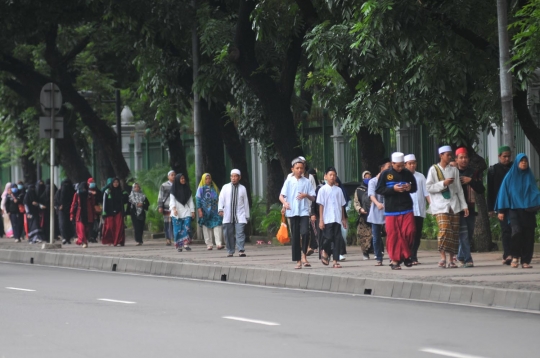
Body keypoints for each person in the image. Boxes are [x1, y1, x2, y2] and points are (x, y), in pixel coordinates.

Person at [426, 145, 469, 268]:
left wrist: (464, 205)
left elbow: (459, 189)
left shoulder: (454, 170)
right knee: (444, 230)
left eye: (451, 154)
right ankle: (442, 257)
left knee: (454, 231)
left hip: (454, 204)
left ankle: (451, 259)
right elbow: (428, 187)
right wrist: (443, 183)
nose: (450, 157)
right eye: (448, 155)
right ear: (441, 155)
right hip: (440, 205)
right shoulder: (433, 170)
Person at [495, 153, 540, 269]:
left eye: (526, 161)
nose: (524, 163)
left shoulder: (529, 176)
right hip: (514, 209)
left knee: (528, 235)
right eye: (521, 161)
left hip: (528, 211)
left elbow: (535, 192)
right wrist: (501, 210)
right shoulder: (510, 177)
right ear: (517, 163)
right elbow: (503, 193)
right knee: (516, 232)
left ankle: (525, 261)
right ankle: (515, 256)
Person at [376, 152, 418, 270]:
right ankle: (395, 260)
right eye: (398, 166)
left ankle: (406, 254)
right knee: (393, 235)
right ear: (392, 164)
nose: (400, 168)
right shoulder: (385, 174)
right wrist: (392, 189)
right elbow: (379, 189)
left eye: (402, 165)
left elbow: (414, 187)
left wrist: (409, 188)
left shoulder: (407, 173)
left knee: (410, 231)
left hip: (406, 207)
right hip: (391, 209)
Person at [280, 157, 316, 269]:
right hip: (292, 211)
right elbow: (281, 196)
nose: (300, 170)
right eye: (297, 168)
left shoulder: (307, 181)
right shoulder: (289, 181)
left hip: (304, 211)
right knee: (295, 237)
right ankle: (298, 260)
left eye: (301, 168)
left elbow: (313, 198)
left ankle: (304, 255)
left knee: (305, 233)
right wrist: (285, 204)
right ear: (292, 169)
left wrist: (306, 195)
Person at [455, 147, 485, 268]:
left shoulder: (474, 172)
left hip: (471, 207)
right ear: (456, 159)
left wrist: (471, 181)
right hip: (457, 208)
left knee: (470, 232)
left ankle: (460, 256)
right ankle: (468, 259)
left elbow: (481, 189)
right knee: (464, 234)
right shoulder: (453, 172)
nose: (464, 160)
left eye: (465, 157)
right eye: (461, 157)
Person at [316, 167, 347, 268]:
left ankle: (335, 261)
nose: (332, 177)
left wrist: (343, 218)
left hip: (337, 218)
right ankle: (325, 251)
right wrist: (321, 219)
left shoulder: (339, 190)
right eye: (330, 175)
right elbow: (321, 205)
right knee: (328, 238)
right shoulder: (322, 190)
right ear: (326, 176)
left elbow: (342, 205)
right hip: (327, 218)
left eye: (334, 175)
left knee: (337, 240)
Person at [487, 145, 513, 264]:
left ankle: (514, 253)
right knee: (505, 230)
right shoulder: (493, 170)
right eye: (504, 157)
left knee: (515, 229)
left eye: (508, 156)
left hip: (514, 204)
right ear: (499, 156)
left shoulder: (514, 168)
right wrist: (490, 208)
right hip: (500, 205)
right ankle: (507, 254)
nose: (506, 159)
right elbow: (490, 190)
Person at [404, 154, 430, 265]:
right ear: (405, 164)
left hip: (419, 210)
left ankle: (413, 256)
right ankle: (406, 255)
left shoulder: (421, 176)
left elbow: (426, 193)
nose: (412, 165)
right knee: (409, 233)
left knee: (417, 234)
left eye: (414, 163)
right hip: (407, 210)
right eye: (409, 163)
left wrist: (432, 205)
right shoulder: (402, 176)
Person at [218, 169, 250, 257]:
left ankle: (241, 250)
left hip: (240, 215)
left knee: (240, 233)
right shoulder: (225, 187)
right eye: (232, 176)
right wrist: (220, 209)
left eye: (235, 176)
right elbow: (221, 199)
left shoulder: (243, 188)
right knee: (228, 234)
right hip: (227, 214)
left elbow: (246, 202)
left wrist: (247, 215)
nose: (233, 178)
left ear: (239, 177)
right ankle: (230, 251)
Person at [368, 159, 391, 266]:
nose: (390, 170)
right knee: (376, 237)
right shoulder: (373, 181)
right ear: (382, 169)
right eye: (388, 168)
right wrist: (377, 203)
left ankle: (392, 256)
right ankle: (378, 257)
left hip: (389, 211)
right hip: (377, 210)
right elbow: (371, 195)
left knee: (391, 235)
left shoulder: (389, 181)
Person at [196, 173, 224, 250]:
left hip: (215, 210)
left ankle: (219, 243)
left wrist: (221, 208)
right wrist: (200, 210)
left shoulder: (214, 188)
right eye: (206, 179)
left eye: (209, 178)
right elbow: (198, 200)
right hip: (205, 211)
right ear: (203, 180)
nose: (208, 180)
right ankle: (209, 244)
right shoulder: (200, 189)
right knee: (206, 227)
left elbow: (220, 197)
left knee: (217, 225)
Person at [170, 173, 195, 252]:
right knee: (178, 230)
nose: (183, 180)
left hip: (186, 211)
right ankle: (179, 245)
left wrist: (192, 211)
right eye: (181, 179)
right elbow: (172, 200)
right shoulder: (173, 190)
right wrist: (174, 209)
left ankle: (186, 244)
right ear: (178, 180)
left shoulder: (187, 189)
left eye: (184, 178)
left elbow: (190, 201)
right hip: (177, 212)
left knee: (187, 227)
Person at [70, 182, 97, 248]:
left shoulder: (90, 195)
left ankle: (80, 241)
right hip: (80, 215)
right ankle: (84, 242)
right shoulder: (77, 195)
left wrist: (94, 214)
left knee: (87, 230)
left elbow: (93, 205)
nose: (84, 190)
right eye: (82, 188)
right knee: (81, 230)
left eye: (85, 188)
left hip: (88, 215)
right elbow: (73, 205)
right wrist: (71, 214)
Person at [102, 178, 128, 246]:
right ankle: (110, 240)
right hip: (109, 212)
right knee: (109, 227)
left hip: (119, 211)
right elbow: (104, 202)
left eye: (117, 182)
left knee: (119, 227)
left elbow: (126, 200)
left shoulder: (122, 191)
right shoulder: (108, 191)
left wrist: (125, 195)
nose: (115, 184)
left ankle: (118, 240)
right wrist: (104, 212)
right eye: (114, 182)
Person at [354, 171, 373, 260]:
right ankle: (365, 253)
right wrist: (360, 209)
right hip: (363, 216)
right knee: (364, 235)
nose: (368, 179)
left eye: (369, 177)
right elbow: (356, 202)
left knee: (375, 234)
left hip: (373, 215)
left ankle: (377, 252)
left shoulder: (374, 188)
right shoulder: (359, 190)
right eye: (366, 177)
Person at [55, 179, 75, 244]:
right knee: (63, 224)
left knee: (70, 224)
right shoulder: (59, 192)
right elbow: (55, 201)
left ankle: (68, 238)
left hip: (71, 209)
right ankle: (64, 237)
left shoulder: (73, 192)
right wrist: (58, 207)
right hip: (62, 211)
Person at [158, 170, 175, 246]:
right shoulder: (164, 185)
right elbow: (160, 196)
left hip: (175, 207)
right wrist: (160, 206)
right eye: (172, 175)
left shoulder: (178, 184)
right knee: (167, 223)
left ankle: (175, 238)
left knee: (175, 223)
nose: (173, 176)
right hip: (166, 206)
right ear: (168, 176)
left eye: (174, 175)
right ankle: (168, 239)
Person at [87, 178, 102, 243]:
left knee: (96, 223)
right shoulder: (86, 190)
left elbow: (100, 199)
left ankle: (94, 237)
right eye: (91, 182)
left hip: (96, 210)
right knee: (89, 224)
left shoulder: (97, 191)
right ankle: (89, 237)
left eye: (93, 182)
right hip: (89, 210)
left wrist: (96, 194)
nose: (92, 183)